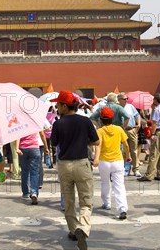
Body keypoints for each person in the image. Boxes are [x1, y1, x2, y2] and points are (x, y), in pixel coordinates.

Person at [50, 90, 100, 250]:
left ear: (65, 106)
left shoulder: (58, 123)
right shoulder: (85, 121)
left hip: (64, 165)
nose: (56, 107)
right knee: (86, 201)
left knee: (69, 201)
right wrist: (82, 141)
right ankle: (83, 228)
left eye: (58, 104)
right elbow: (96, 141)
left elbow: (54, 144)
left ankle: (73, 229)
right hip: (82, 163)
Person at [93, 107, 131, 220]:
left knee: (105, 182)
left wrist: (96, 158)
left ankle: (107, 203)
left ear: (101, 119)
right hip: (118, 161)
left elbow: (98, 146)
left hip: (104, 161)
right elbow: (126, 145)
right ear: (112, 118)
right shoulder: (119, 129)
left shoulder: (99, 131)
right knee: (119, 185)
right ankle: (122, 208)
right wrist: (128, 157)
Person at [139, 93, 160, 182]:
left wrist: (152, 134)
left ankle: (149, 175)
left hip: (159, 132)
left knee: (154, 153)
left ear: (156, 100)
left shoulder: (157, 109)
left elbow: (154, 123)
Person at [16, 130, 49, 205]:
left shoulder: (21, 123)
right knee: (34, 172)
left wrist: (17, 148)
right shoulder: (35, 122)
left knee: (24, 171)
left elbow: (18, 136)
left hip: (22, 148)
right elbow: (42, 134)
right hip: (34, 148)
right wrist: (46, 147)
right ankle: (34, 192)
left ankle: (25, 192)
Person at [118, 92, 140, 177]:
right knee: (123, 151)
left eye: (126, 98)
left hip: (131, 130)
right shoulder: (118, 108)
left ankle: (136, 169)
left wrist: (138, 125)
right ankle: (125, 169)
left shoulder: (130, 106)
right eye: (124, 99)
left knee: (133, 150)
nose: (126, 100)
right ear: (119, 99)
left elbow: (137, 115)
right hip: (121, 130)